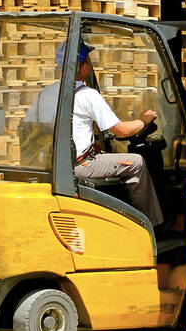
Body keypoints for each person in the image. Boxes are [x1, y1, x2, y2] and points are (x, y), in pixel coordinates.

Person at [23, 42, 163, 227]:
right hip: (80, 165)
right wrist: (144, 120)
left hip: (53, 167)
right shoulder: (87, 94)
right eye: (88, 61)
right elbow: (122, 131)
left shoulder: (44, 94)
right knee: (136, 162)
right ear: (84, 66)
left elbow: (31, 127)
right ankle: (151, 227)